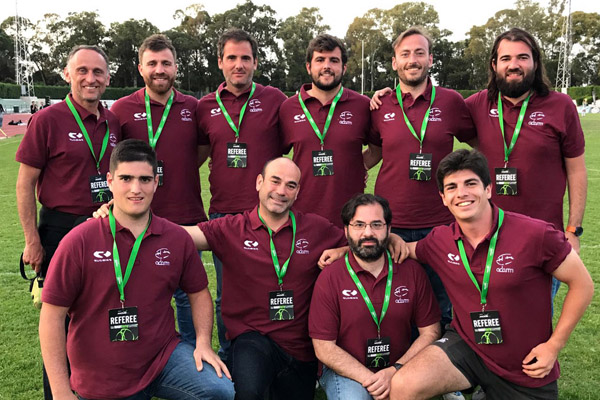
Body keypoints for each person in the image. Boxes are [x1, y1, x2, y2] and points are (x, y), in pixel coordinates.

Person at [389, 149, 593, 400]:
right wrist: (382, 238)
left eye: (470, 183)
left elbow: (582, 284)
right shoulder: (440, 240)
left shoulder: (535, 234)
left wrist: (554, 345)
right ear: (443, 197)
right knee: (403, 386)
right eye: (451, 187)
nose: (461, 193)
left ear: (488, 189)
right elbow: (406, 250)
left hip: (524, 364)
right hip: (468, 347)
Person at [39, 139, 234, 400]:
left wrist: (202, 342)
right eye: (126, 178)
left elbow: (199, 293)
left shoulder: (175, 238)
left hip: (162, 359)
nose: (135, 189)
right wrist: (61, 392)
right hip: (102, 374)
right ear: (109, 180)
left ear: (156, 182)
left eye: (144, 179)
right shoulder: (79, 240)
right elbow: (51, 316)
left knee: (219, 391)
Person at [367, 29, 477, 373]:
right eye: (405, 54)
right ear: (394, 61)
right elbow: (372, 152)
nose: (412, 60)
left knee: (443, 303)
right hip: (390, 223)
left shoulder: (452, 102)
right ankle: (394, 368)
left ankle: (442, 375)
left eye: (419, 53)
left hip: (440, 224)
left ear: (431, 59)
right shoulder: (380, 104)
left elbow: (480, 147)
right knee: (392, 304)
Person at [15, 45, 120, 399]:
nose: (91, 78)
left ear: (107, 78)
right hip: (59, 230)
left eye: (98, 72)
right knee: (57, 319)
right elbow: (25, 182)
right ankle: (58, 393)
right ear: (67, 74)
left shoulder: (113, 121)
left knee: (100, 315)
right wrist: (32, 240)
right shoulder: (48, 119)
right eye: (83, 71)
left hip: (106, 228)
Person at [464, 28, 587, 302]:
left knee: (537, 324)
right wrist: (388, 93)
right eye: (506, 58)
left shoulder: (561, 105)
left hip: (544, 239)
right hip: (488, 237)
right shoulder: (476, 105)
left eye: (523, 57)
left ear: (535, 62)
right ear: (494, 65)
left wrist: (573, 230)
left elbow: (577, 170)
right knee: (490, 316)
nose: (514, 65)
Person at [110, 34, 209, 345]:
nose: (159, 69)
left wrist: (179, 169)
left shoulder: (193, 107)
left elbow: (203, 150)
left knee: (186, 293)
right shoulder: (122, 109)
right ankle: (145, 355)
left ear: (175, 67)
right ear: (140, 68)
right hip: (137, 219)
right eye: (152, 63)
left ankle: (192, 355)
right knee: (138, 292)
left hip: (187, 215)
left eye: (166, 63)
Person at [196, 28, 287, 361]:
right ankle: (229, 353)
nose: (239, 65)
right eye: (231, 58)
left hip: (270, 215)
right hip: (224, 215)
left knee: (276, 288)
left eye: (245, 58)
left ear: (255, 63)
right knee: (226, 296)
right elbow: (197, 156)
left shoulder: (275, 100)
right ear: (220, 62)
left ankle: (280, 353)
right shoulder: (204, 106)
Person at [309, 193, 441, 400]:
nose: (367, 233)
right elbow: (324, 347)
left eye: (376, 225)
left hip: (400, 366)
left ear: (389, 229)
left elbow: (430, 332)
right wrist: (372, 379)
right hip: (346, 372)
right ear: (346, 230)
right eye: (359, 225)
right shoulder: (330, 276)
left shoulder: (412, 271)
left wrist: (394, 371)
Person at [278, 34, 370, 227]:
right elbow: (274, 155)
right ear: (309, 67)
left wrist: (356, 166)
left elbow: (378, 148)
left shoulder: (363, 106)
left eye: (333, 60)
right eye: (320, 60)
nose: (327, 66)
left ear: (344, 67)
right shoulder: (288, 108)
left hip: (351, 217)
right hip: (300, 215)